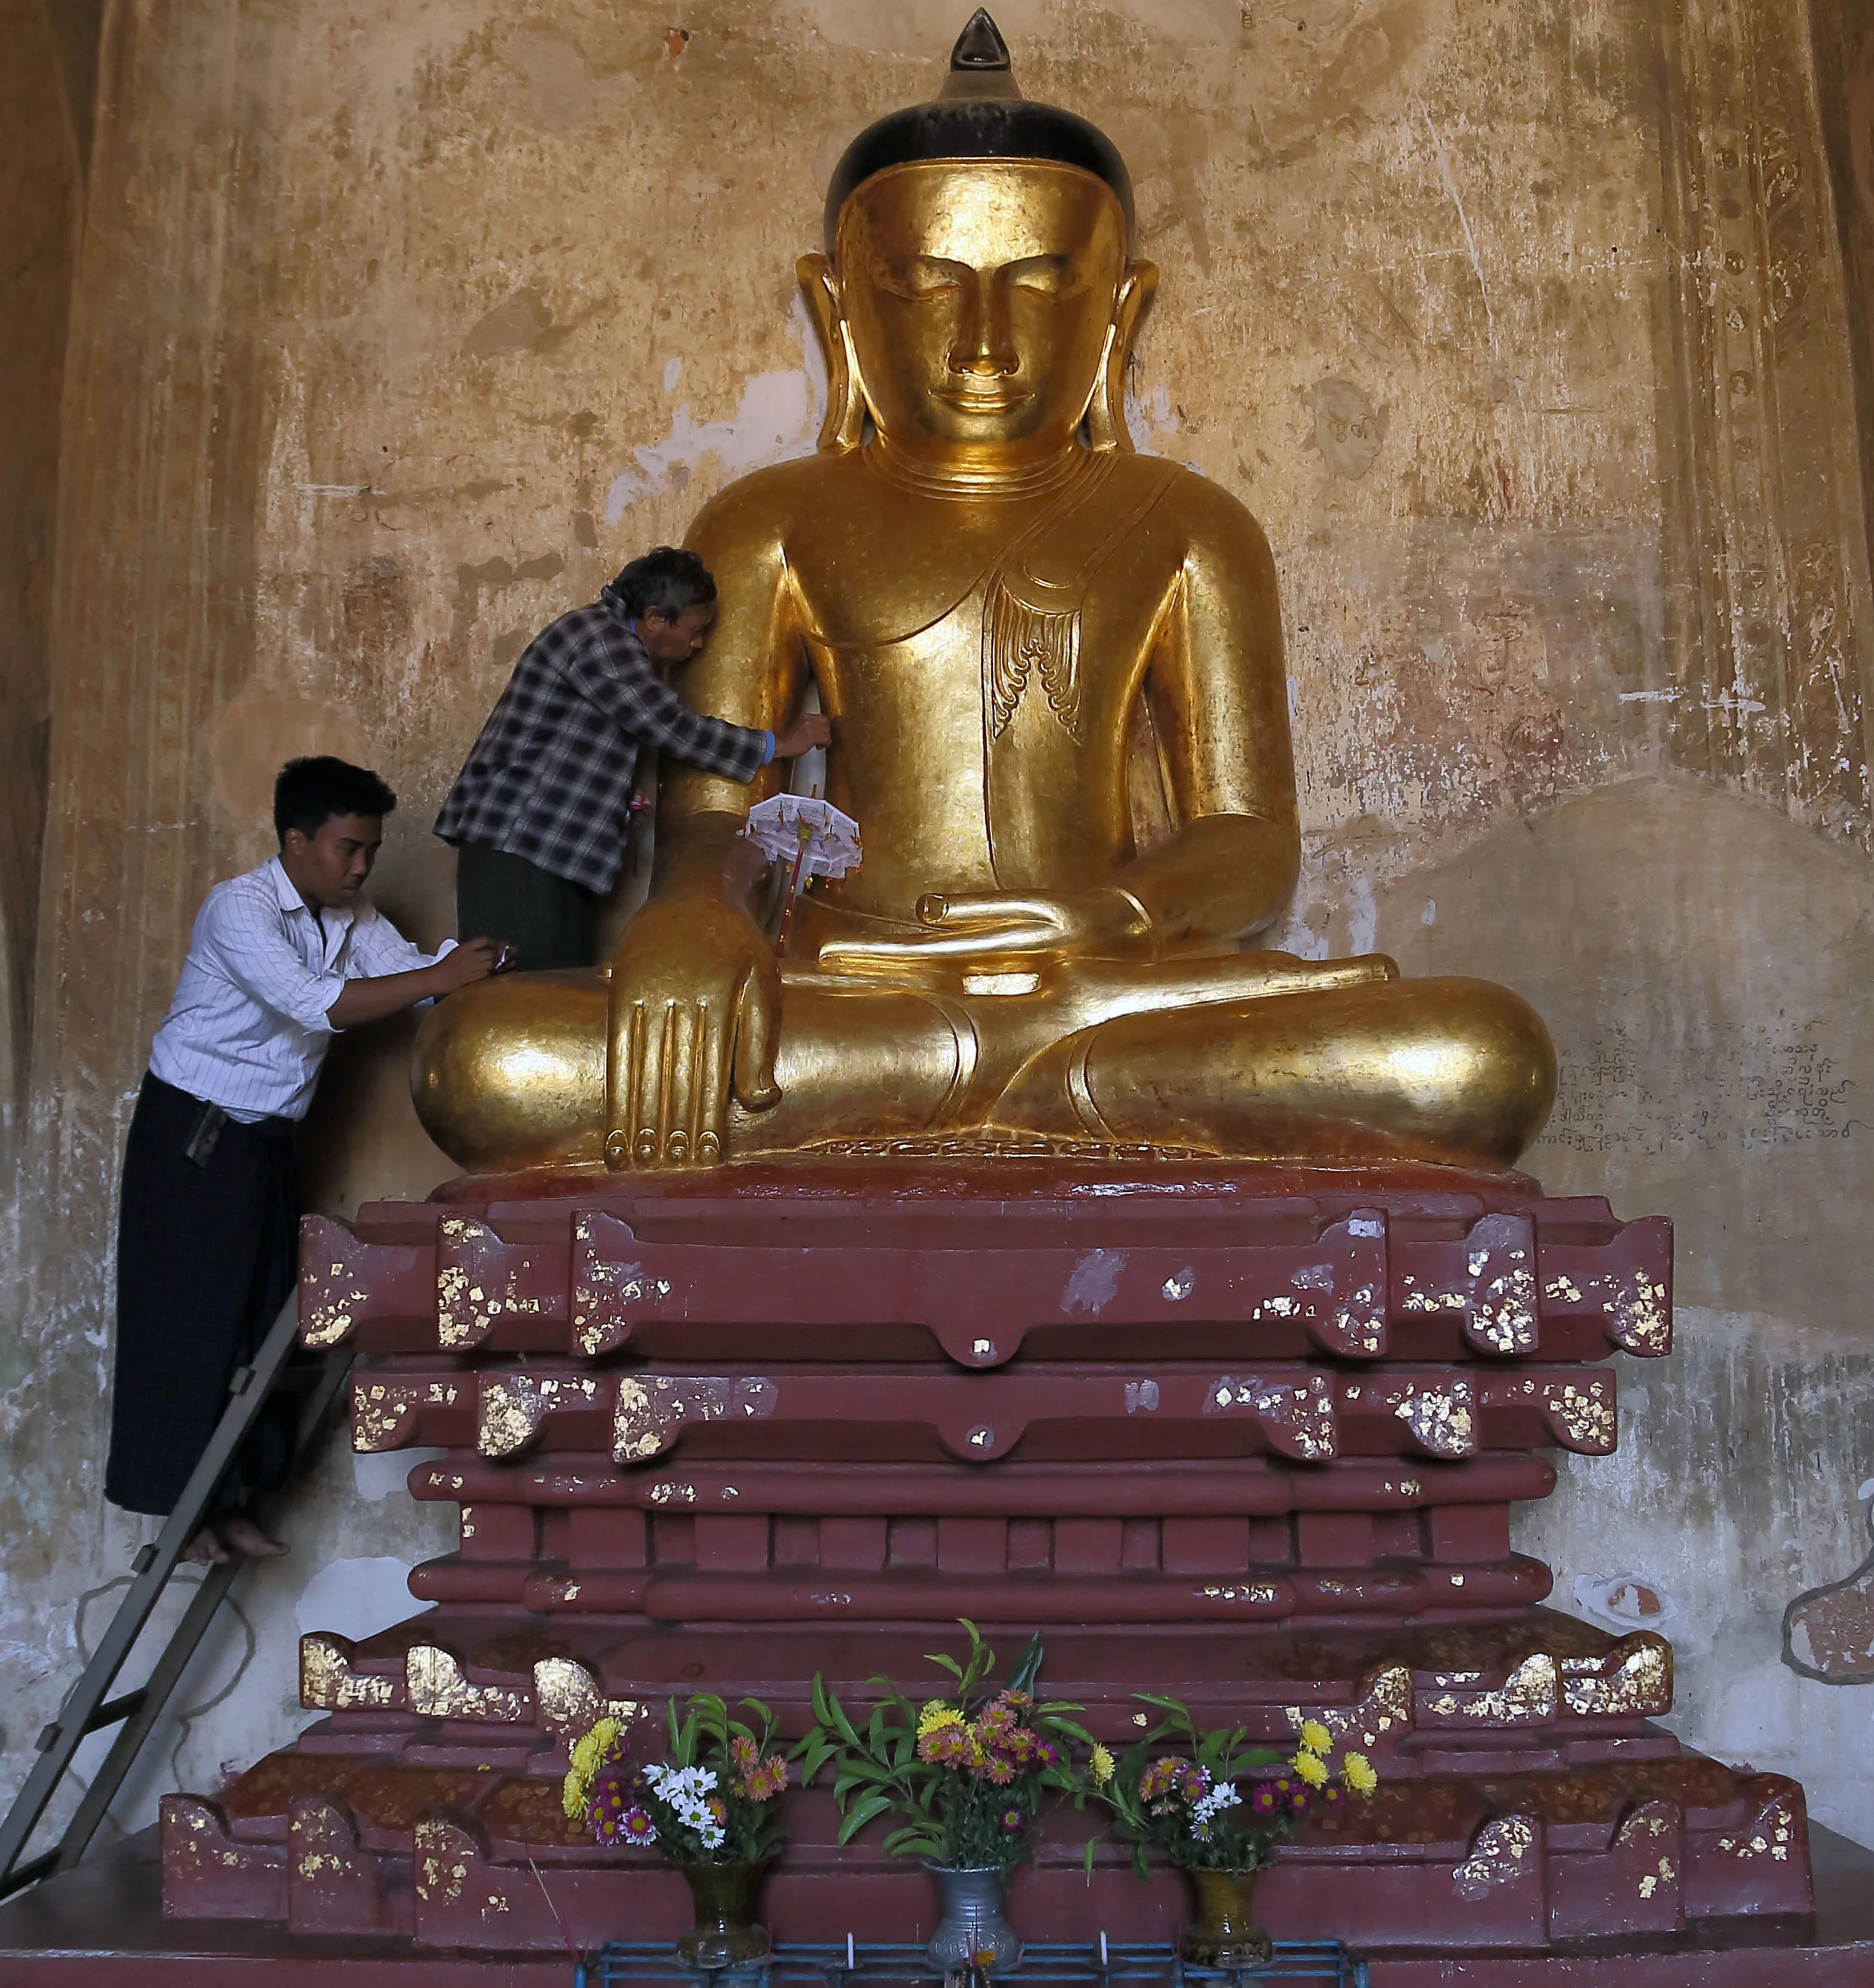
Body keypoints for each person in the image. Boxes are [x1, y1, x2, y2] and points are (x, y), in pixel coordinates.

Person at [104, 757, 498, 1563]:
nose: (360, 867)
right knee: (190, 1323)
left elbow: (411, 980)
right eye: (348, 848)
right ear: (295, 839)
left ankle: (237, 1496)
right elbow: (323, 1004)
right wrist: (439, 973)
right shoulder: (239, 910)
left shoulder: (350, 915)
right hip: (195, 1135)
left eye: (371, 852)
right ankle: (184, 1518)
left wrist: (477, 969)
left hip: (264, 1139)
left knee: (267, 1326)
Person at [433, 546, 832, 972]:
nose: (697, 645)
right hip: (518, 849)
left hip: (536, 849)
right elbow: (669, 727)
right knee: (524, 999)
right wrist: (776, 745)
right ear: (657, 618)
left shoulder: (604, 639)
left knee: (553, 993)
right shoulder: (601, 640)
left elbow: (576, 745)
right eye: (695, 631)